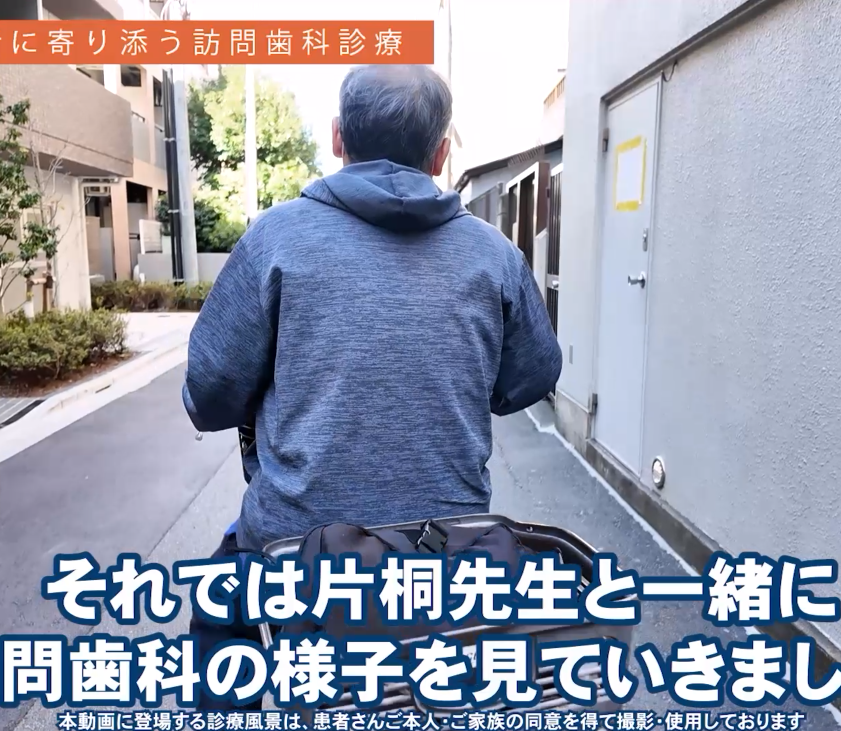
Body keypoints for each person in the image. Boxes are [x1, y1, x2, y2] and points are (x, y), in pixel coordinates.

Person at [182, 64, 561, 709]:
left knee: (220, 618)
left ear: (338, 137)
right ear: (440, 154)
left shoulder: (275, 239)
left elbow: (209, 394)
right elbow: (535, 375)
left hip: (296, 549)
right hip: (448, 551)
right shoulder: (494, 255)